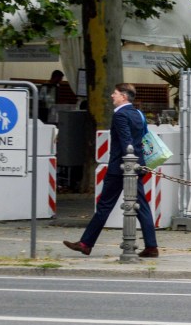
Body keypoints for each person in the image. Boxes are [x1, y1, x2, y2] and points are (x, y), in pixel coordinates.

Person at [64, 83, 159, 258]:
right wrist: (138, 162)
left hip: (120, 167)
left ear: (124, 96)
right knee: (142, 207)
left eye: (114, 93)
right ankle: (151, 247)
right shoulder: (138, 114)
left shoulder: (120, 115)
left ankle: (86, 244)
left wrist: (128, 161)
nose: (112, 96)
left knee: (104, 206)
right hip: (137, 166)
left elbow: (125, 140)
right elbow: (145, 137)